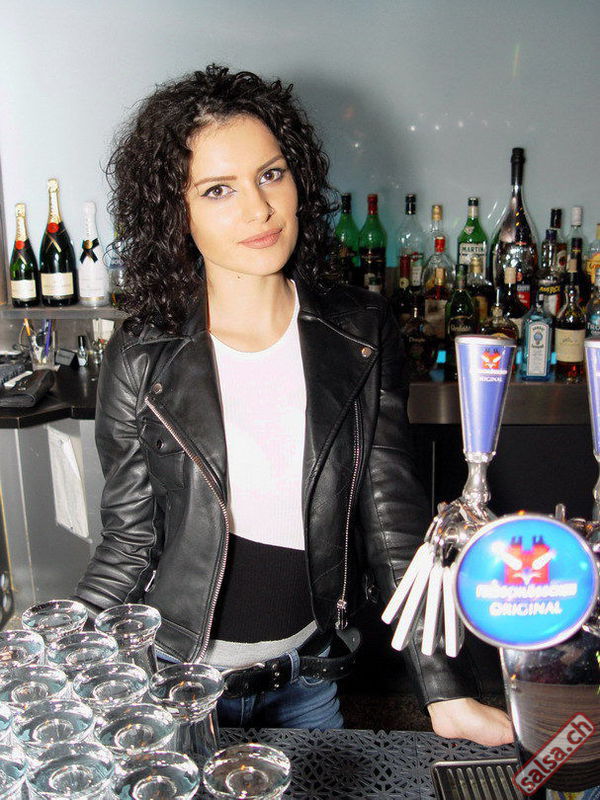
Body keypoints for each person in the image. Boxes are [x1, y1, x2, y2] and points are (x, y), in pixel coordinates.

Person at [75, 64, 512, 744]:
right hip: (179, 689)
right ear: (174, 212)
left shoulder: (359, 330)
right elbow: (129, 544)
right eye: (218, 189)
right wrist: (59, 657)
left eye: (271, 174)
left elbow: (393, 522)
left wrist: (445, 690)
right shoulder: (141, 354)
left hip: (307, 684)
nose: (259, 209)